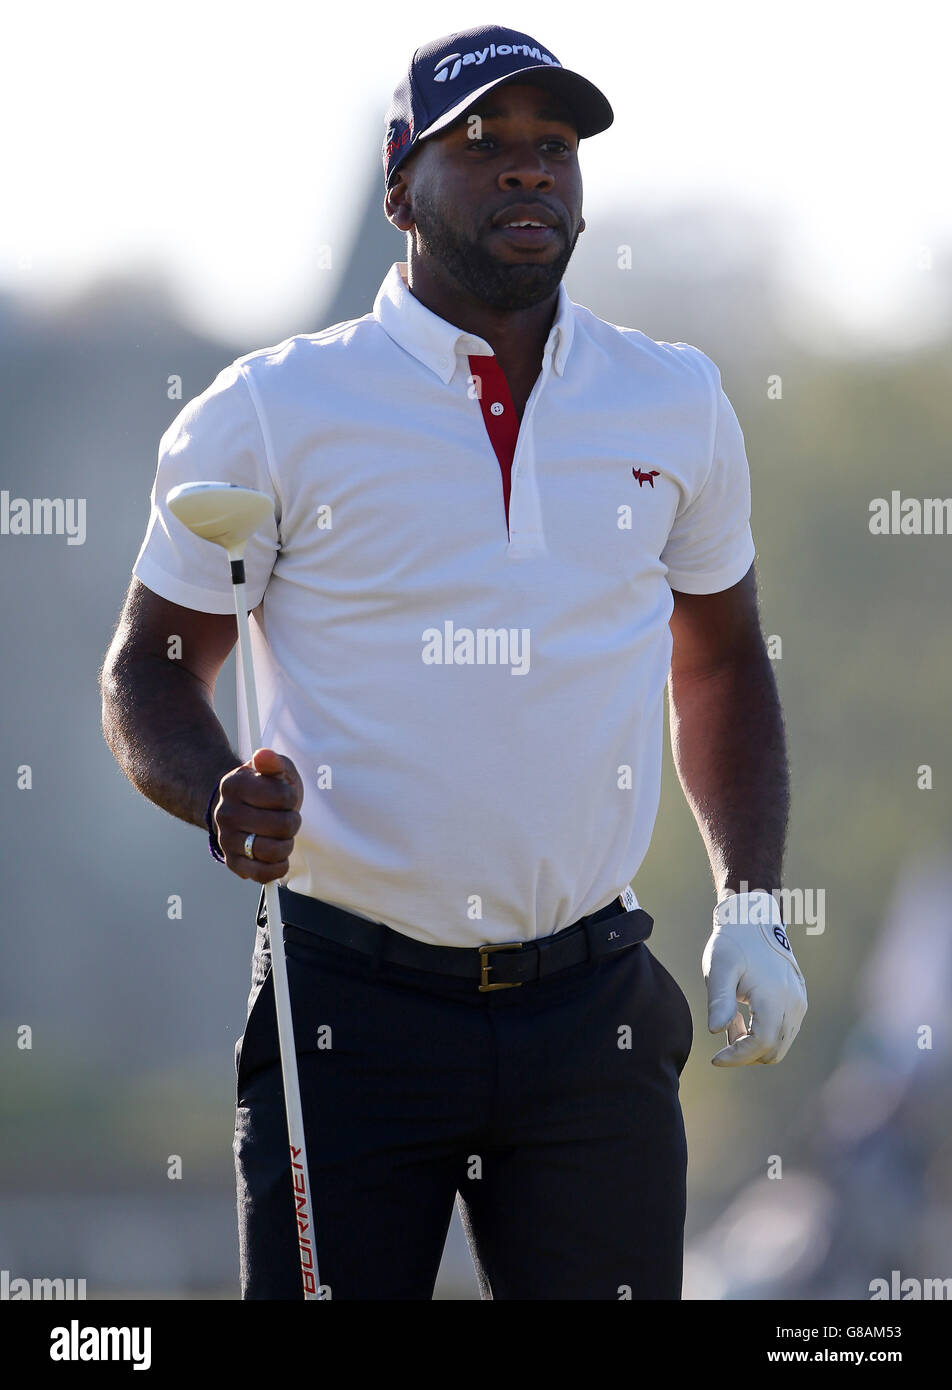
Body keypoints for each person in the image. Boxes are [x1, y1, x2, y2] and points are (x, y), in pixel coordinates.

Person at [100, 23, 807, 1301]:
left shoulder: (674, 398)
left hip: (591, 1004)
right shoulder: (270, 410)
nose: (528, 172)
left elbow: (717, 662)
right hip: (349, 1009)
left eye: (555, 149)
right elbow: (148, 671)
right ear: (399, 185)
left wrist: (750, 902)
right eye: (482, 145)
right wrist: (216, 795)